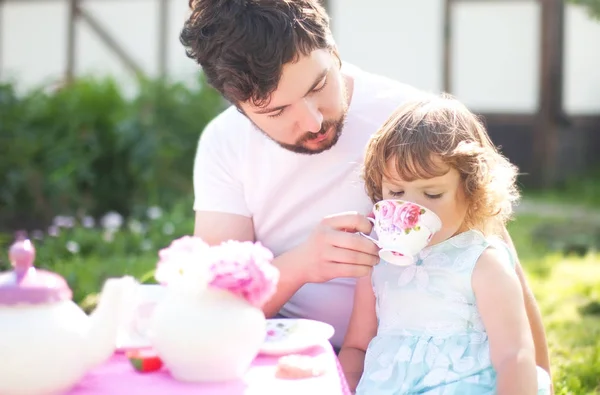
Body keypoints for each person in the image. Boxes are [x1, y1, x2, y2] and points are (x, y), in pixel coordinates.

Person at [181, 0, 551, 381]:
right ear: (239, 107)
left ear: (334, 51)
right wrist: (301, 265)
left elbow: (498, 257)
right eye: (277, 112)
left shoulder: (409, 120)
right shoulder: (224, 144)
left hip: (440, 361)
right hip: (289, 352)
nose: (312, 120)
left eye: (319, 85)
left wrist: (540, 377)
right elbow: (215, 307)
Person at [338, 94, 551, 394]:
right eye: (396, 192)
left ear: (472, 191)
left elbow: (514, 355)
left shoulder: (481, 263)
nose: (411, 208)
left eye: (433, 194)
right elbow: (357, 348)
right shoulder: (376, 264)